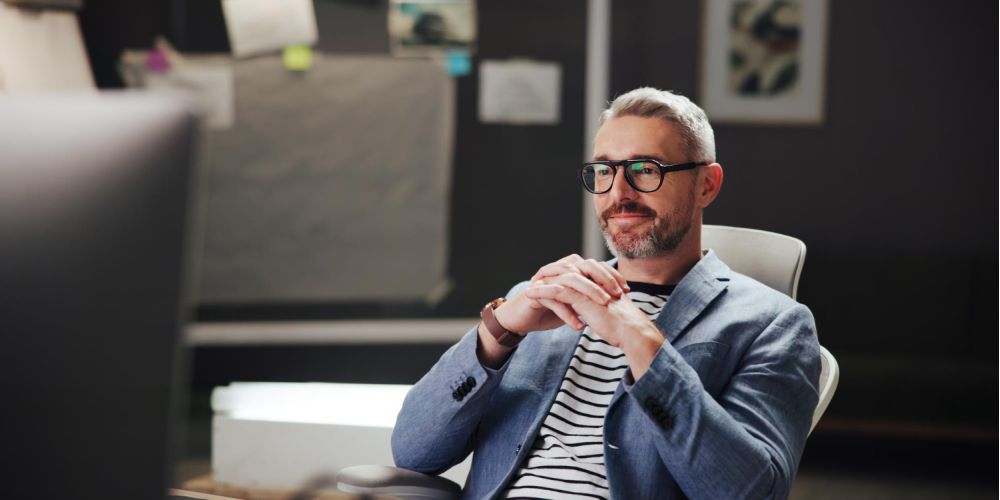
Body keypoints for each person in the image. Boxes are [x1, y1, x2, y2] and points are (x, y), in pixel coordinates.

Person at [391, 87, 821, 500]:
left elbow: (751, 492)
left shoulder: (772, 324)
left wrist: (643, 343)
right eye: (604, 171)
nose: (618, 194)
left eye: (646, 170)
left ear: (706, 184)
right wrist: (497, 332)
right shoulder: (540, 301)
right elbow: (413, 450)